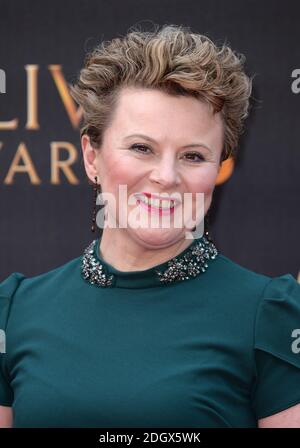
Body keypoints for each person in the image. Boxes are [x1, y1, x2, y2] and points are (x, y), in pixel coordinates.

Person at [1, 24, 300, 428]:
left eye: (193, 156)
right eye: (142, 148)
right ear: (92, 157)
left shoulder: (271, 316)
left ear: (218, 169)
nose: (166, 176)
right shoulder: (15, 310)